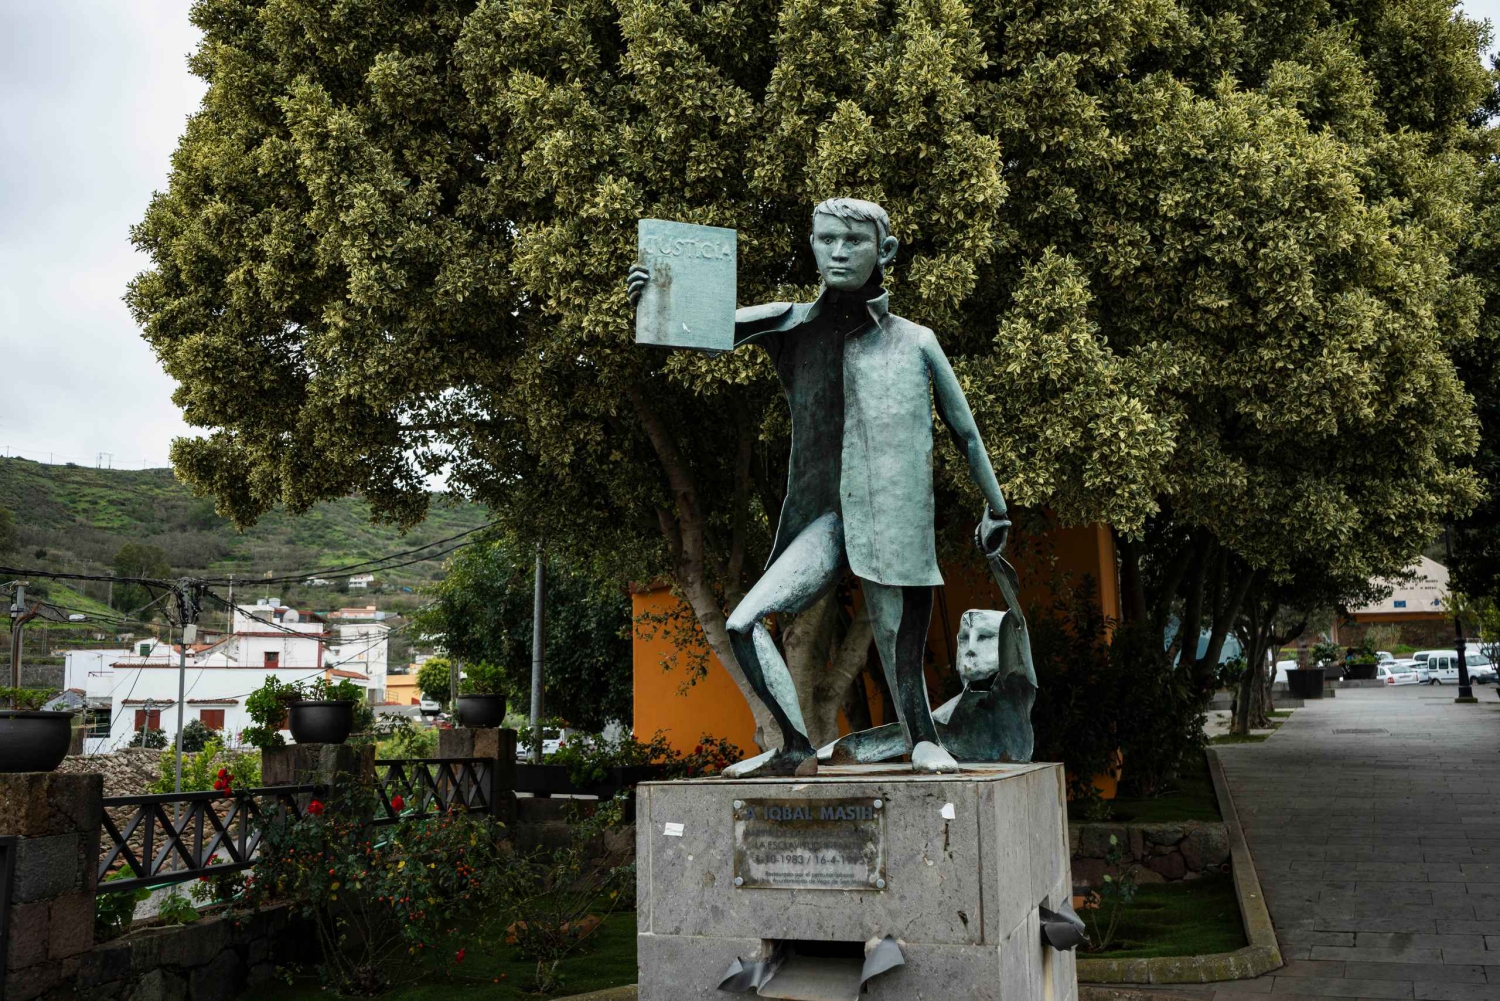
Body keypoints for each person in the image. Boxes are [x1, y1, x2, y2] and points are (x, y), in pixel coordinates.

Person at [627, 198, 1010, 776]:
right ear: (812, 245)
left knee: (899, 649)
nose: (838, 251)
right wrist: (653, 294)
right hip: (826, 519)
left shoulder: (916, 341)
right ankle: (795, 746)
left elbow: (967, 433)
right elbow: (700, 325)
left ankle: (923, 740)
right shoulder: (791, 322)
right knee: (742, 623)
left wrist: (996, 507)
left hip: (891, 518)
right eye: (827, 239)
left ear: (885, 251)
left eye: (853, 241)